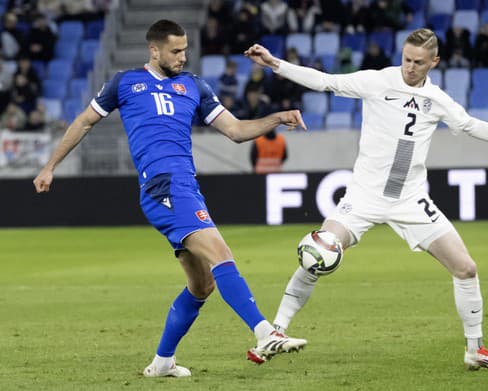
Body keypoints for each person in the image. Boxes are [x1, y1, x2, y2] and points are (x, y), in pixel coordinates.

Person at [245, 28, 488, 372]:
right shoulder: (378, 81)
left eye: (418, 62)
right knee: (320, 252)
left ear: (433, 62)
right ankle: (275, 332)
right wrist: (275, 63)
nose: (410, 67)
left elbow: (471, 125)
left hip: (410, 199)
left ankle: (476, 350)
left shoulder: (437, 99)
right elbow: (325, 81)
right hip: (363, 196)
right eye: (406, 59)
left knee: (466, 268)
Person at [33, 19, 308, 378]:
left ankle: (162, 362)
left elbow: (237, 131)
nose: (183, 56)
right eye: (176, 51)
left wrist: (277, 117)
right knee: (220, 254)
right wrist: (50, 166)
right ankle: (264, 332)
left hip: (186, 186)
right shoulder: (124, 82)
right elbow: (84, 122)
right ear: (154, 50)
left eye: (185, 50)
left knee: (202, 284)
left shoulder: (193, 85)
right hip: (163, 187)